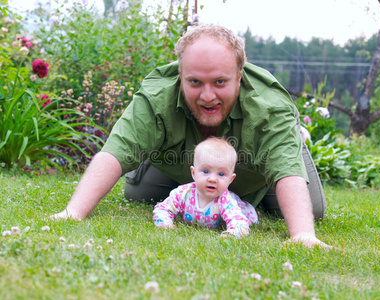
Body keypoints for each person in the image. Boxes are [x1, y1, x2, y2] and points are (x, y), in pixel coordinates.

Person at [50, 24, 331, 248]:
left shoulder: (269, 105)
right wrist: (72, 213)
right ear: (180, 74)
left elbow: (287, 173)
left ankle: (292, 149)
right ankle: (157, 152)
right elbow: (115, 151)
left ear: (239, 75)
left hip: (257, 170)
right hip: (182, 165)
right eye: (195, 82)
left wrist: (303, 235)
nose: (208, 96)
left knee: (311, 212)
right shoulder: (157, 96)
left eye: (220, 82)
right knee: (139, 195)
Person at [153, 137, 258, 238]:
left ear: (231, 179)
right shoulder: (183, 193)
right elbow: (163, 209)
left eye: (221, 174)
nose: (212, 179)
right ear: (193, 173)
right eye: (206, 171)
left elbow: (238, 221)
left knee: (247, 217)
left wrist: (232, 233)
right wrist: (165, 223)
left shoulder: (226, 201)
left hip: (245, 210)